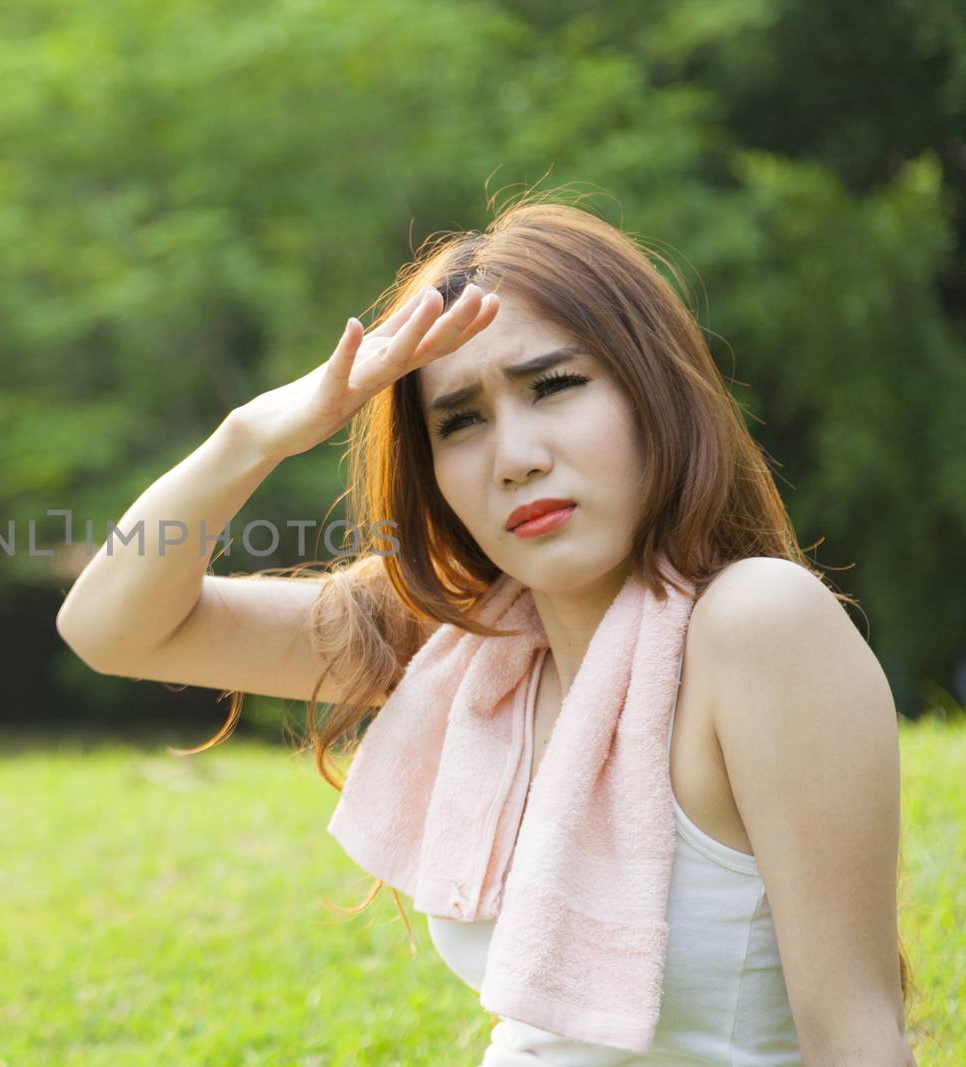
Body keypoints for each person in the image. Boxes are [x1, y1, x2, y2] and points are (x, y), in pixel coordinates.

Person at [55, 195, 917, 1064]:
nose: (517, 455)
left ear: (654, 389)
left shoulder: (758, 625)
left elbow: (856, 1035)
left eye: (555, 385)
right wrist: (257, 434)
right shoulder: (459, 643)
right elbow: (110, 628)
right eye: (460, 420)